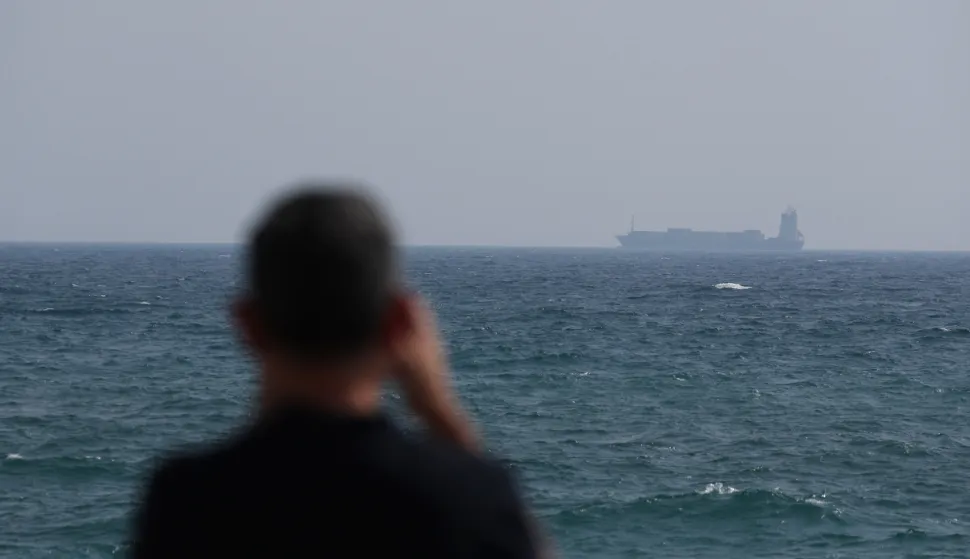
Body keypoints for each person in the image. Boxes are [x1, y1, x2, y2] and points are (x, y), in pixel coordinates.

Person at [129, 182, 546, 558]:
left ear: (247, 325)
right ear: (400, 323)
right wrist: (438, 412)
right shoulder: (465, 495)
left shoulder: (188, 500)